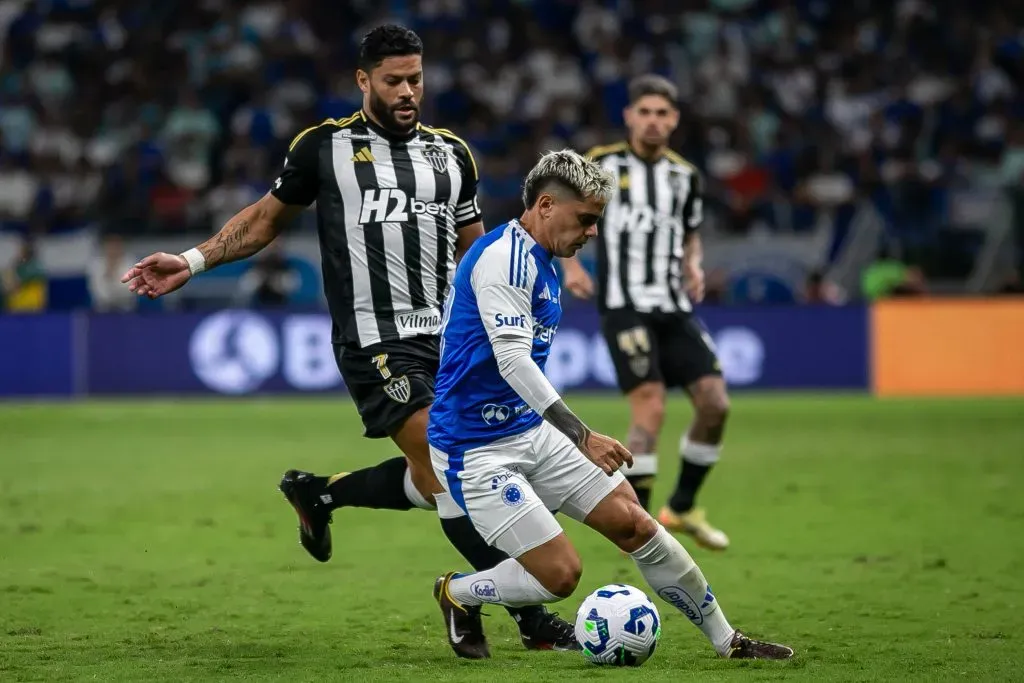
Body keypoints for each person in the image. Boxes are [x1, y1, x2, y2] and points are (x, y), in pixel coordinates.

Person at [120, 24, 576, 651]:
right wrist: (193, 261)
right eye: (393, 81)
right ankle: (520, 615)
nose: (408, 91)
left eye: (416, 78)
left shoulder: (453, 155)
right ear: (363, 81)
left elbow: (476, 250)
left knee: (437, 469)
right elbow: (261, 222)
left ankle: (321, 493)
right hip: (374, 341)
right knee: (452, 469)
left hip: (450, 340)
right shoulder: (324, 149)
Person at [428, 149, 793, 661]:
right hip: (474, 448)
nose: (593, 232)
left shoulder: (545, 259)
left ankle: (728, 641)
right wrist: (582, 435)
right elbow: (512, 362)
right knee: (560, 576)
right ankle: (457, 593)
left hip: (530, 429)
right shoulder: (503, 261)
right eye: (587, 219)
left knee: (635, 523)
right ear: (547, 205)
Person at [560, 74, 731, 550]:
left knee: (715, 404)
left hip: (673, 307)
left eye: (663, 114)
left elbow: (691, 232)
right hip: (624, 305)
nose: (654, 121)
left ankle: (680, 508)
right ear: (629, 116)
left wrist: (693, 265)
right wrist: (571, 266)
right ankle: (639, 527)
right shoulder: (601, 164)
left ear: (674, 120)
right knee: (650, 405)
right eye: (646, 112)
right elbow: (565, 214)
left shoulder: (684, 176)